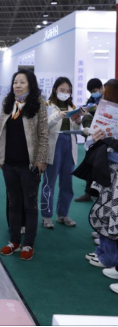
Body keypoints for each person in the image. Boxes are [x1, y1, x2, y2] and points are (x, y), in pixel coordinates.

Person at [0, 69, 48, 261]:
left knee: (30, 206)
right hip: (9, 163)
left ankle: (28, 244)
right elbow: (0, 130)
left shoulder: (38, 104)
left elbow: (43, 134)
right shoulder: (8, 103)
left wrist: (41, 159)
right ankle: (14, 241)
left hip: (30, 164)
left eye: (22, 82)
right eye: (15, 82)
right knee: (13, 204)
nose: (17, 85)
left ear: (30, 84)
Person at [80, 79, 118, 270]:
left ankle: (110, 258)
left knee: (112, 214)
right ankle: (103, 251)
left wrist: (108, 141)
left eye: (105, 92)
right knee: (103, 210)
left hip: (114, 170)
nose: (102, 95)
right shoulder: (104, 111)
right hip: (106, 168)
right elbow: (92, 141)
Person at [40, 77, 82, 229]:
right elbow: (44, 126)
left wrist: (78, 121)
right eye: (62, 90)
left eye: (68, 91)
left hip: (69, 143)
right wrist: (58, 115)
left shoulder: (72, 106)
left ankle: (63, 214)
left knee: (67, 183)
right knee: (49, 182)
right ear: (55, 89)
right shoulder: (47, 105)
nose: (65, 93)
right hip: (54, 144)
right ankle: (46, 216)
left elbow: (76, 130)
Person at [76, 78, 105, 203]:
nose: (93, 93)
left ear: (102, 87)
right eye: (91, 92)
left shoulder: (108, 99)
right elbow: (87, 117)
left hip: (105, 138)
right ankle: (88, 193)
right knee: (89, 163)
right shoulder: (90, 101)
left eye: (95, 91)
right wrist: (85, 113)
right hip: (92, 138)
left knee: (102, 167)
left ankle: (101, 195)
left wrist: (98, 109)